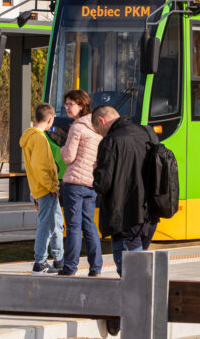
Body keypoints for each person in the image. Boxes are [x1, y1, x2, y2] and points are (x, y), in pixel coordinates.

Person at [92, 105, 158, 275]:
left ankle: (138, 296)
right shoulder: (148, 133)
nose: (101, 134)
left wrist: (96, 170)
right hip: (150, 211)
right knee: (141, 262)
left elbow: (103, 184)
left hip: (124, 214)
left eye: (98, 130)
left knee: (131, 273)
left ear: (101, 121)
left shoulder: (110, 141)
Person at [58, 90, 102, 277]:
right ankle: (95, 268)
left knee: (74, 227)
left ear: (81, 105)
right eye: (66, 104)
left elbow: (69, 157)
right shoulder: (97, 127)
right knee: (90, 225)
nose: (67, 108)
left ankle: (70, 267)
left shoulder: (77, 127)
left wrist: (61, 150)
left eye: (70, 104)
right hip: (90, 183)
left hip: (75, 183)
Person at [20, 103, 63, 273]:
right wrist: (52, 186)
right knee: (46, 225)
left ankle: (59, 259)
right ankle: (40, 262)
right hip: (45, 189)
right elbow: (40, 167)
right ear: (50, 119)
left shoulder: (30, 136)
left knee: (56, 223)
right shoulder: (39, 138)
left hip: (42, 188)